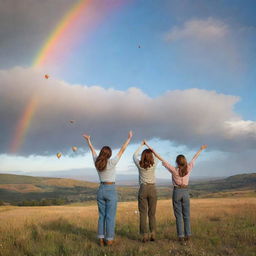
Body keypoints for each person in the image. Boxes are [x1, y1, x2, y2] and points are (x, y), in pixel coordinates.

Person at [144, 141, 207, 243]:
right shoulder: (189, 167)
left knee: (178, 216)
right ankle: (188, 235)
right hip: (186, 192)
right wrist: (201, 149)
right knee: (186, 215)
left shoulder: (174, 170)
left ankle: (181, 237)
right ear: (185, 161)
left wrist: (150, 148)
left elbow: (161, 158)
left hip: (177, 192)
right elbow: (195, 158)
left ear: (177, 162)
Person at [83, 131, 133, 246]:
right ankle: (109, 240)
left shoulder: (97, 162)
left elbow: (92, 151)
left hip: (101, 189)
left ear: (101, 153)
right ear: (109, 154)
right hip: (110, 190)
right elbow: (122, 150)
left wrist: (88, 140)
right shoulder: (112, 162)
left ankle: (101, 239)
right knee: (110, 217)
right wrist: (129, 138)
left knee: (101, 216)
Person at [133, 140, 159, 243]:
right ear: (151, 156)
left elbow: (134, 155)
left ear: (143, 156)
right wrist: (148, 146)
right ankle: (153, 233)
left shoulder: (139, 165)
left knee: (143, 213)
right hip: (152, 188)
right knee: (152, 214)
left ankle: (144, 235)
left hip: (143, 189)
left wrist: (141, 145)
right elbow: (156, 154)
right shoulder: (154, 164)